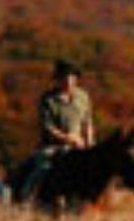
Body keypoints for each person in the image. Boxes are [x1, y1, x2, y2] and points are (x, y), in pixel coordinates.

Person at [19, 59, 95, 202]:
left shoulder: (83, 97)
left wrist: (90, 143)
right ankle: (26, 197)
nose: (69, 81)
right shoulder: (48, 100)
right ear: (58, 79)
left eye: (72, 78)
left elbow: (88, 122)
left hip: (80, 146)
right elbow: (48, 127)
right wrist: (70, 139)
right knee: (43, 168)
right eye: (65, 78)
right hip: (53, 146)